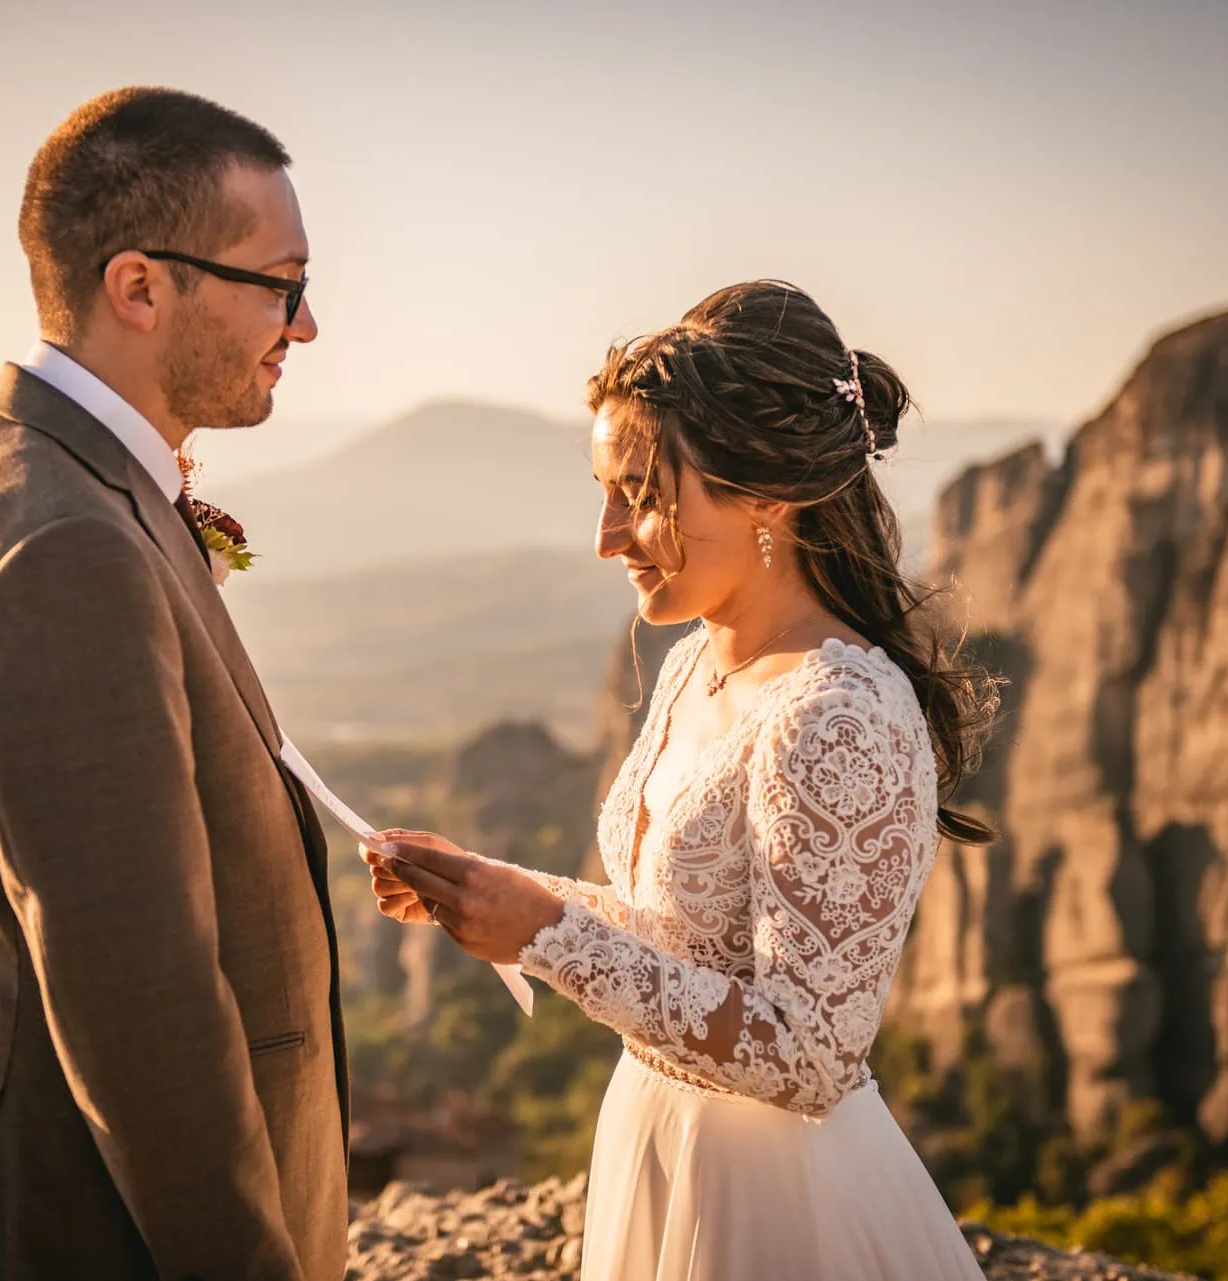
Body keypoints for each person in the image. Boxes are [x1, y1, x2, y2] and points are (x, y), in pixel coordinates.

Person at [371, 281, 995, 1279]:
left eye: (644, 497)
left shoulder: (838, 715)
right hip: (655, 1136)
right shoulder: (700, 660)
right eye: (605, 495)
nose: (608, 538)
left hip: (782, 1203)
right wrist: (503, 895)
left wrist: (544, 936)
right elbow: (687, 930)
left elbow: (812, 1053)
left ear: (766, 495)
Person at [0, 88, 344, 1281]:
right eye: (279, 283)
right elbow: (144, 1012)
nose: (306, 324)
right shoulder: (64, 544)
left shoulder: (33, 468)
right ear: (140, 287)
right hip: (83, 1229)